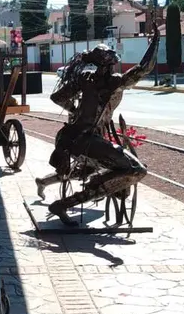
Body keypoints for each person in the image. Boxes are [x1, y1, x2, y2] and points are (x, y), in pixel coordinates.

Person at [37, 32, 159, 226]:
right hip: (89, 140)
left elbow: (57, 97)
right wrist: (155, 42)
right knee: (137, 170)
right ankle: (65, 203)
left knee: (90, 168)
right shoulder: (115, 82)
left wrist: (75, 110)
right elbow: (143, 69)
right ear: (111, 65)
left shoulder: (84, 78)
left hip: (70, 137)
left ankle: (49, 182)